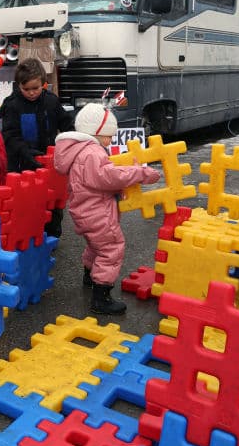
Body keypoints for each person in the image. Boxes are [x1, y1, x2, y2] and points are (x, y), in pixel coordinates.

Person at [53, 103, 161, 315]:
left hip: (85, 211)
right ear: (96, 132)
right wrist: (140, 173)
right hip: (97, 213)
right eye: (108, 135)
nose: (111, 140)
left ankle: (90, 275)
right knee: (111, 248)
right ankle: (101, 297)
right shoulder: (92, 152)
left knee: (96, 246)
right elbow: (108, 177)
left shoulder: (81, 150)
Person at [0, 58, 74, 237]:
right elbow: (9, 135)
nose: (32, 93)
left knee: (53, 199)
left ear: (44, 84)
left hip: (49, 163)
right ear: (19, 86)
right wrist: (24, 151)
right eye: (27, 89)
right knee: (26, 202)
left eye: (36, 88)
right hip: (21, 163)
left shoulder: (51, 101)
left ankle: (52, 234)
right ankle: (28, 233)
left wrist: (72, 141)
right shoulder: (12, 105)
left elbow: (66, 125)